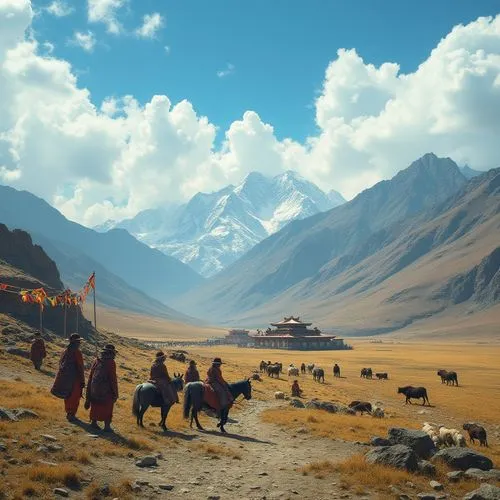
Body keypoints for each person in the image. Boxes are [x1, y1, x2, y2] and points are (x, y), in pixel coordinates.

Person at [50, 333, 85, 422]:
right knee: (75, 396)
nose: (80, 343)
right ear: (77, 342)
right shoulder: (77, 352)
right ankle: (71, 414)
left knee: (68, 395)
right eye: (79, 342)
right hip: (75, 379)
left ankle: (69, 412)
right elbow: (80, 367)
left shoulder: (65, 351)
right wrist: (82, 380)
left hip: (65, 378)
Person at [85, 344, 118, 432]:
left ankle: (93, 422)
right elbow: (112, 379)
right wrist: (115, 392)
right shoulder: (111, 362)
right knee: (108, 406)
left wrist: (90, 389)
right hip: (106, 390)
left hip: (94, 388)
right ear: (111, 353)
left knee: (95, 405)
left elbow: (91, 376)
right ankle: (107, 426)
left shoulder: (97, 360)